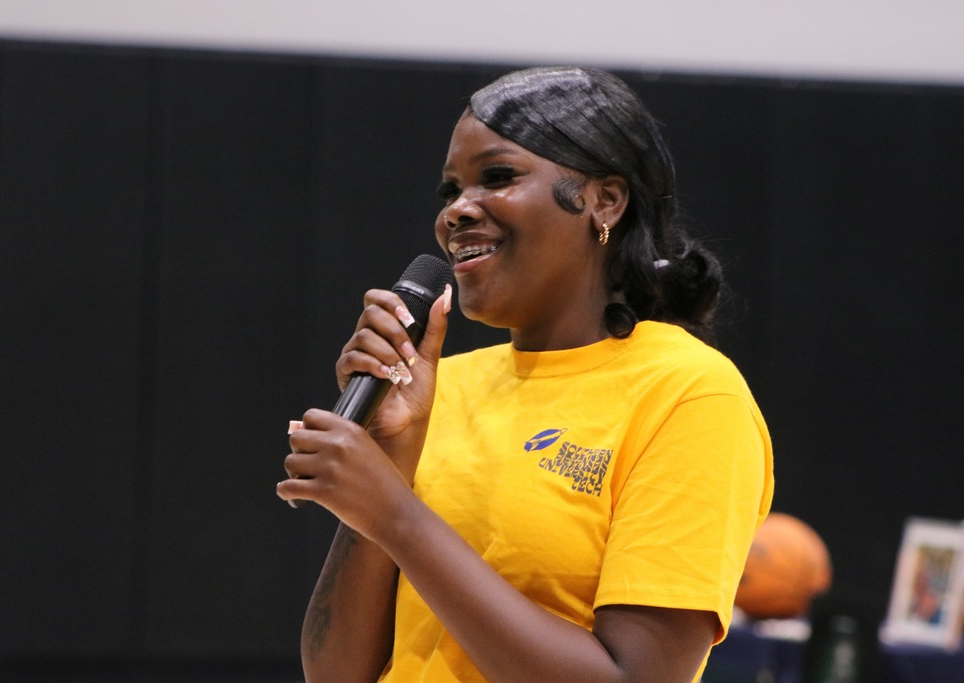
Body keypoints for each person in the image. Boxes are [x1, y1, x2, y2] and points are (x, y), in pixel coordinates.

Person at [276, 66, 774, 683]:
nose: (457, 211)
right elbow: (336, 673)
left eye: (498, 177)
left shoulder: (690, 395)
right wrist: (394, 451)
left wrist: (395, 515)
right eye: (450, 190)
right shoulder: (440, 389)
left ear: (604, 200)